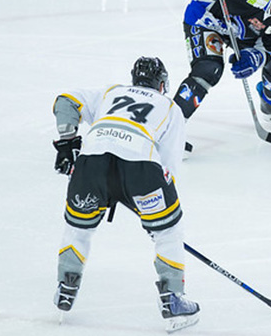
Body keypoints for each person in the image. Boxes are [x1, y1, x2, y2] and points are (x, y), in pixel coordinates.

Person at [50, 56, 200, 332]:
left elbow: (65, 100)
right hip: (141, 168)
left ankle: (65, 287)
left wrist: (67, 142)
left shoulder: (110, 93)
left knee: (78, 230)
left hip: (91, 164)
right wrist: (156, 217)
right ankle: (172, 299)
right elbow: (168, 165)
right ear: (162, 84)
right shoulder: (170, 107)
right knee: (169, 232)